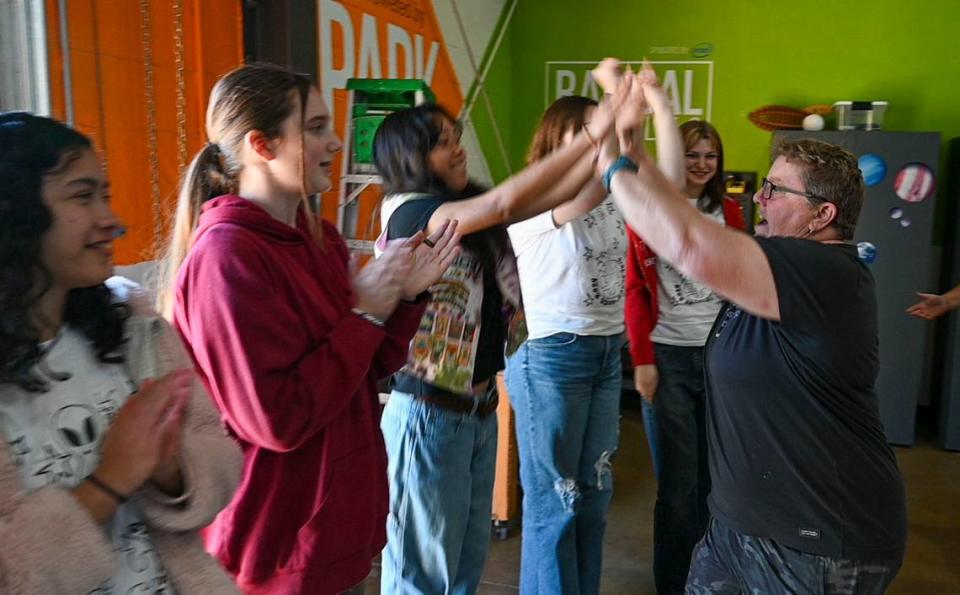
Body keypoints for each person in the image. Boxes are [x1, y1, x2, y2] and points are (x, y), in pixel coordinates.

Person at [597, 68, 906, 593]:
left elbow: (687, 242)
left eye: (775, 190)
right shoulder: (779, 264)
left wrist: (611, 162)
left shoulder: (824, 272)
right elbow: (673, 207)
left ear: (821, 215)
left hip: (816, 542)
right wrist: (629, 137)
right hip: (738, 526)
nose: (759, 199)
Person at [160, 63, 459, 594]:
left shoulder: (318, 236)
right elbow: (276, 420)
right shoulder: (227, 258)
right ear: (262, 145)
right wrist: (365, 313)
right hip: (279, 551)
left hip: (334, 534)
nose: (337, 141)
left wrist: (403, 296)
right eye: (317, 127)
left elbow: (366, 369)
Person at [372, 89, 625, 594]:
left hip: (477, 409)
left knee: (464, 569)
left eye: (456, 138)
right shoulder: (410, 215)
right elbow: (508, 200)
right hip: (428, 415)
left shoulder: (466, 210)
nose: (459, 148)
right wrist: (594, 133)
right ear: (411, 157)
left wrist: (614, 143)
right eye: (444, 143)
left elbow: (561, 198)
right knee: (421, 577)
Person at [0, 112, 241, 593]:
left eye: (104, 196)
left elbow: (219, 455)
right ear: (16, 215)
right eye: (82, 196)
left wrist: (172, 468)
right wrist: (112, 478)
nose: (111, 220)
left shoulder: (135, 329)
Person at [503, 82, 682, 595]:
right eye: (582, 133)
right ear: (552, 144)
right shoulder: (530, 199)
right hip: (550, 356)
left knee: (593, 496)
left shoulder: (610, 194)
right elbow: (590, 192)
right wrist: (617, 130)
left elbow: (663, 182)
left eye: (596, 131)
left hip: (604, 353)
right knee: (555, 503)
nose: (593, 142)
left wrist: (651, 113)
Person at [624, 119, 745, 594]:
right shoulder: (652, 213)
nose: (700, 164)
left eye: (709, 156)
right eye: (691, 154)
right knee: (677, 486)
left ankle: (708, 575)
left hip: (720, 361)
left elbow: (741, 287)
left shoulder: (731, 213)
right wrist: (643, 358)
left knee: (713, 481)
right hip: (668, 360)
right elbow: (635, 290)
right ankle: (674, 583)